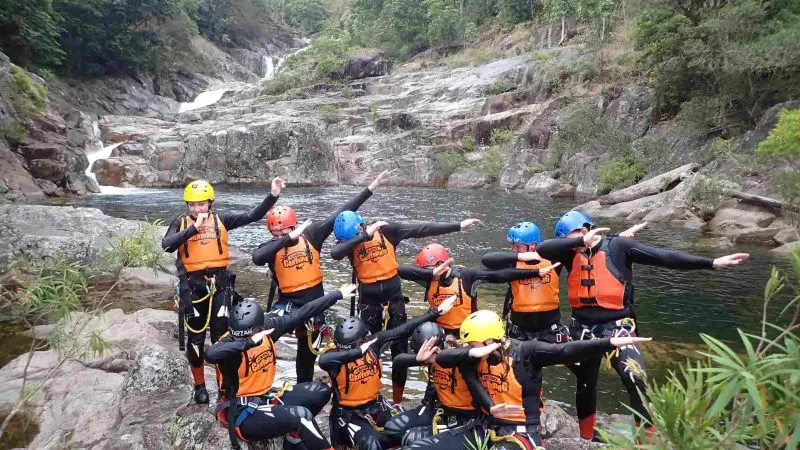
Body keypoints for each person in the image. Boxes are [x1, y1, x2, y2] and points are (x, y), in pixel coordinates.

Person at [535, 210, 749, 441]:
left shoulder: (619, 247)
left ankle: (645, 441)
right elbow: (543, 249)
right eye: (568, 240)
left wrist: (712, 263)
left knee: (636, 379)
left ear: (586, 228)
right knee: (586, 383)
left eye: (574, 236)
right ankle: (586, 439)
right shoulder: (569, 253)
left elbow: (663, 256)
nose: (571, 245)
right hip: (583, 328)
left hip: (618, 325)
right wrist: (579, 242)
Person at [432, 310, 652, 449]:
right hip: (483, 426)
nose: (471, 350)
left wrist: (609, 343)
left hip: (519, 433)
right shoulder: (473, 357)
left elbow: (566, 350)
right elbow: (446, 359)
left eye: (474, 345)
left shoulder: (526, 352)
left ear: (491, 339)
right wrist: (490, 407)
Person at [252, 170, 393, 383]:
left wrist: (371, 188)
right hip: (288, 305)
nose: (281, 236)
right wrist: (285, 239)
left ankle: (305, 387)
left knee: (307, 352)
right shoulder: (270, 248)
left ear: (294, 225)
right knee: (261, 334)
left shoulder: (312, 235)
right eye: (276, 233)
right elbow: (256, 258)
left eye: (286, 231)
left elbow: (342, 210)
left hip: (315, 303)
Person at [331, 212, 481, 403]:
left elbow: (420, 229)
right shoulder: (352, 241)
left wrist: (458, 225)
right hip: (369, 301)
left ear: (360, 226)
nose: (355, 242)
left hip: (394, 299)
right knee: (368, 348)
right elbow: (335, 254)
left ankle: (397, 401)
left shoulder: (386, 231)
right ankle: (370, 394)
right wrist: (364, 236)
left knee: (399, 351)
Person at [162, 177, 282, 404]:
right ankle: (199, 386)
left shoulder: (222, 219)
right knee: (196, 339)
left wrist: (273, 195)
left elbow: (252, 216)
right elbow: (167, 245)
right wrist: (193, 229)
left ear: (210, 203)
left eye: (202, 204)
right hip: (193, 289)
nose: (197, 209)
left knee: (221, 337)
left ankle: (224, 387)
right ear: (187, 205)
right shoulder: (181, 223)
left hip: (220, 286)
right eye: (193, 205)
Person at [206, 285, 356, 450]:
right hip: (242, 413)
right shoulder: (228, 346)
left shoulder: (269, 328)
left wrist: (337, 294)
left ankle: (292, 440)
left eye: (248, 335)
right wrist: (247, 343)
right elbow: (210, 354)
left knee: (320, 391)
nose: (240, 339)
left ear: (260, 327)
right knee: (301, 416)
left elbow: (303, 312)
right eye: (238, 335)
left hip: (265, 399)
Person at [318, 296, 458, 450]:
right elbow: (323, 361)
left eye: (354, 346)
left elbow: (401, 331)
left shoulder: (373, 344)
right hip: (347, 413)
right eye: (345, 348)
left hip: (376, 405)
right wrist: (356, 352)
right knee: (373, 444)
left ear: (363, 339)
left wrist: (435, 312)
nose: (349, 350)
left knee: (400, 432)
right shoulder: (333, 359)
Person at [384, 322, 523, 446]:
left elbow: (465, 365)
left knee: (411, 439)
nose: (428, 363)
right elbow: (398, 361)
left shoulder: (461, 359)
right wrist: (417, 359)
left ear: (437, 350)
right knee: (392, 428)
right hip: (442, 410)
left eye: (429, 358)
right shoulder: (429, 359)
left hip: (467, 418)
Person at [400, 243, 559, 335]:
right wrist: (430, 273)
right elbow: (401, 270)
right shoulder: (428, 279)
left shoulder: (467, 276)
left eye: (428, 269)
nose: (426, 273)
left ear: (440, 264)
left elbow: (500, 275)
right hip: (439, 332)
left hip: (467, 334)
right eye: (424, 270)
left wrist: (535, 272)